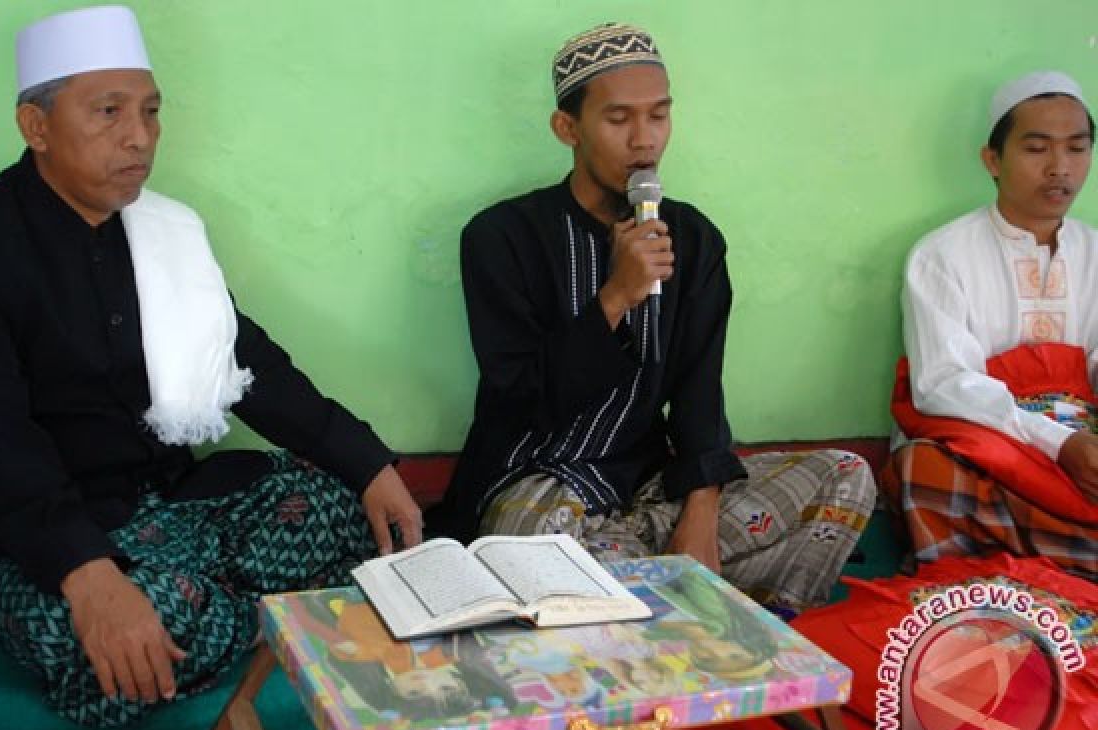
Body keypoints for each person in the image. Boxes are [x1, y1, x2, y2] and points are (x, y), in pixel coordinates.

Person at [0, 5, 422, 727]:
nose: (140, 137)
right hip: (25, 538)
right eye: (109, 112)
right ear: (36, 127)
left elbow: (254, 366)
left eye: (151, 112)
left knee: (344, 510)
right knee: (102, 643)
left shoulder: (165, 234)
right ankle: (243, 615)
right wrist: (89, 577)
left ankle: (211, 608)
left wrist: (369, 464)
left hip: (168, 506)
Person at [427, 23, 876, 612]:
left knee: (844, 475)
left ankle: (694, 615)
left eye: (659, 117)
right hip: (539, 489)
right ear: (568, 128)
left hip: (647, 489)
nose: (645, 141)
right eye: (619, 120)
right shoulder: (502, 236)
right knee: (530, 542)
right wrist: (615, 297)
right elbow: (520, 398)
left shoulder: (693, 239)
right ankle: (671, 603)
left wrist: (700, 510)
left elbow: (698, 388)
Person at [883, 71, 1098, 579]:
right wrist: (1055, 443)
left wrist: (1082, 445)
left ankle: (1038, 579)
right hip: (998, 449)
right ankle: (1002, 593)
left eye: (1076, 148)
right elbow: (942, 385)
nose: (1059, 168)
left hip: (1085, 452)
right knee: (922, 472)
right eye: (1037, 148)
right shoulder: (942, 255)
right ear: (993, 160)